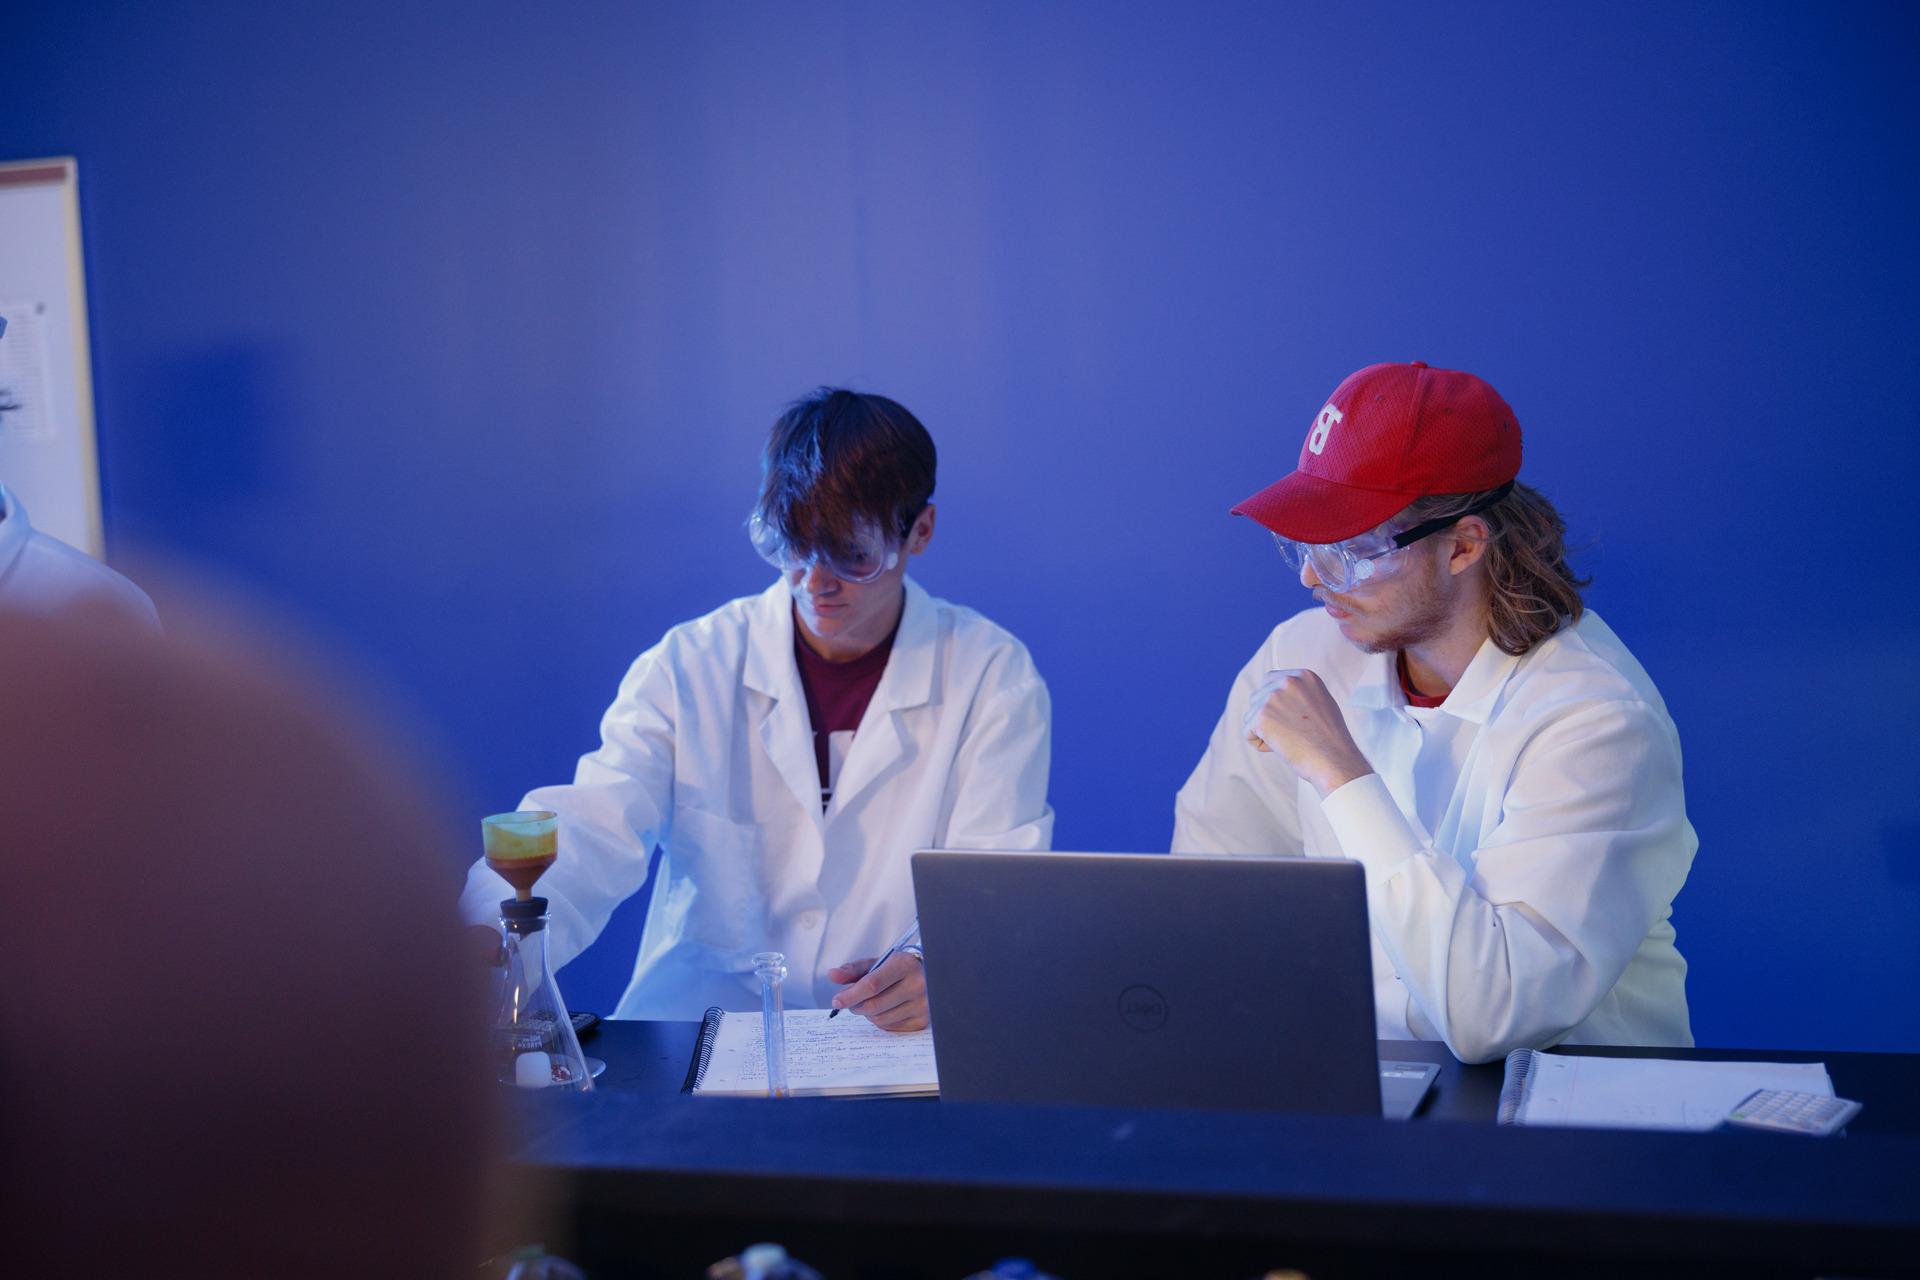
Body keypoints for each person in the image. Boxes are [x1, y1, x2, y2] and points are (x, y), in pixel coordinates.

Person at [458, 388, 1053, 1030]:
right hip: (695, 1034)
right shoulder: (691, 665)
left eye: (853, 554)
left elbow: (994, 884)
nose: (815, 582)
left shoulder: (991, 676)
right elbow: (596, 822)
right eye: (794, 546)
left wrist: (939, 963)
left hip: (889, 1041)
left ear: (921, 532)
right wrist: (490, 930)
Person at [1173, 361, 1695, 1064]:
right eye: (1303, 542)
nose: (1311, 577)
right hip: (1364, 1091)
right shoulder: (1298, 654)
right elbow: (1209, 899)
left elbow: (1494, 1017)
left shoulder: (1597, 718)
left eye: (1352, 548)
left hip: (1574, 1118)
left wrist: (1341, 774)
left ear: (1464, 545)